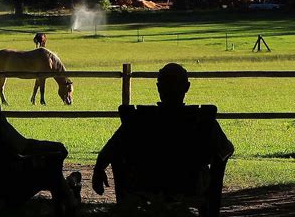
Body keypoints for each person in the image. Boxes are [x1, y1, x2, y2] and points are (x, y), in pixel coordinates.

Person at [0, 65, 81, 215]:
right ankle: (70, 200)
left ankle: (69, 189)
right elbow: (22, 146)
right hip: (2, 181)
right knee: (51, 168)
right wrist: (57, 147)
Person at [92, 63, 234, 204]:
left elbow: (112, 148)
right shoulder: (202, 120)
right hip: (191, 185)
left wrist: (99, 168)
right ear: (187, 87)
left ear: (158, 87)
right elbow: (226, 149)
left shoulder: (139, 119)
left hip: (145, 184)